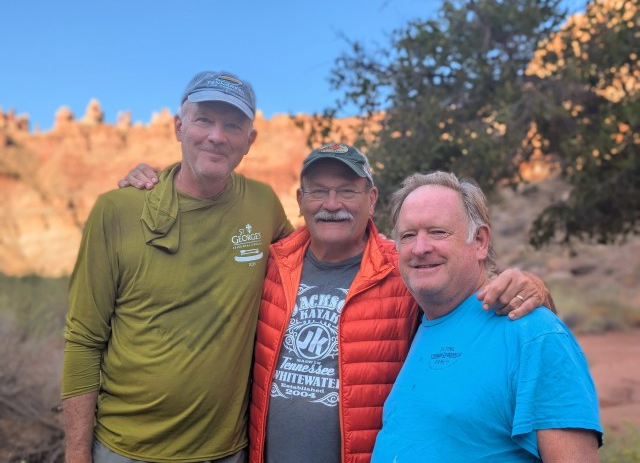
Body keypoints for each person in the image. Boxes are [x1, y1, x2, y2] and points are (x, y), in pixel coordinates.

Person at [121, 144, 554, 463]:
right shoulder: (269, 264)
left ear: (372, 199)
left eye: (347, 191)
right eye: (318, 192)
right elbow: (199, 247)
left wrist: (532, 288)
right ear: (300, 201)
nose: (332, 205)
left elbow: (466, 298)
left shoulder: (404, 268)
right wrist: (162, 186)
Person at [62, 70, 293, 463]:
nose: (217, 136)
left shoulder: (263, 205)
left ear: (249, 141)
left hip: (226, 452)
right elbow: (84, 340)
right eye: (204, 120)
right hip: (125, 450)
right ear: (178, 127)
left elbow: (311, 261)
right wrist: (76, 455)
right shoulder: (117, 210)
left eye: (232, 125)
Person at [371, 171, 602, 462]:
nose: (420, 248)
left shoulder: (534, 334)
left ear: (480, 241)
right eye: (408, 236)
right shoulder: (416, 324)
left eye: (438, 232)